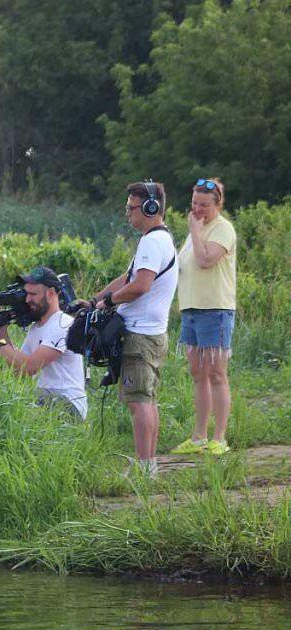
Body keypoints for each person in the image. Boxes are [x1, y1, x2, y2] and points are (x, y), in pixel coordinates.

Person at [83, 181, 178, 475]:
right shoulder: (157, 240)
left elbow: (140, 286)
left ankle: (143, 469)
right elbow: (128, 277)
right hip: (150, 333)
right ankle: (147, 464)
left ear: (150, 207)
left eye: (130, 208)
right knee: (146, 400)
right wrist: (94, 300)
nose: (127, 214)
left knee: (139, 403)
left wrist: (107, 302)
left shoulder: (152, 241)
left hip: (141, 335)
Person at [171, 178, 236, 457]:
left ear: (218, 204)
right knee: (198, 374)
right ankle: (198, 437)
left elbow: (205, 260)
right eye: (194, 203)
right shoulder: (195, 229)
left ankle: (219, 438)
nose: (198, 209)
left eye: (204, 205)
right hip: (191, 310)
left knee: (216, 374)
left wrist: (195, 231)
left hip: (215, 310)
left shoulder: (222, 229)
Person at [0, 265, 87, 419]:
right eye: (26, 293)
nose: (28, 299)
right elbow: (19, 372)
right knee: (4, 402)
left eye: (33, 294)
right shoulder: (36, 328)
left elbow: (29, 367)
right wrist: (3, 333)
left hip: (69, 405)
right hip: (45, 400)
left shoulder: (63, 324)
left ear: (51, 294)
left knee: (17, 404)